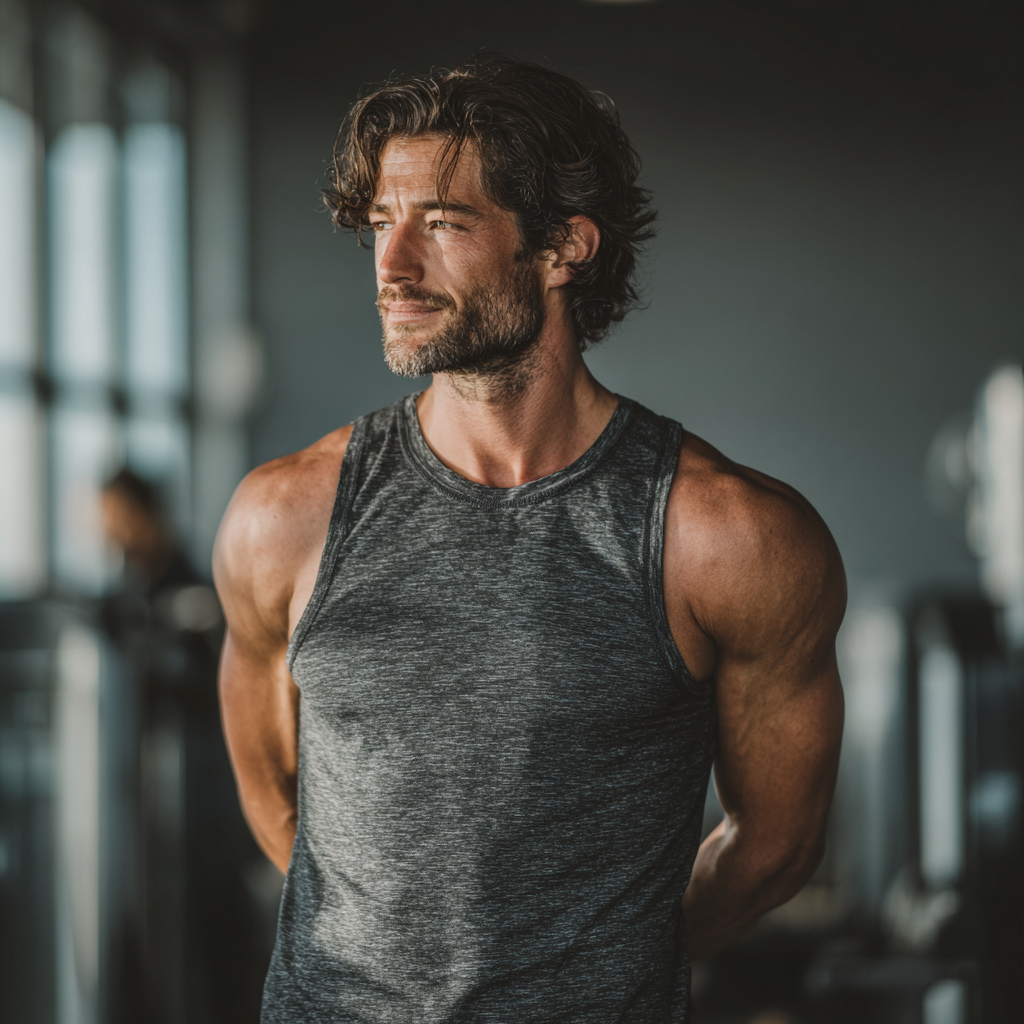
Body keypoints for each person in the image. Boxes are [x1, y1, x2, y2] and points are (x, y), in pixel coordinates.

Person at [214, 56, 846, 1023]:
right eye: (383, 224)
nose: (392, 268)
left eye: (442, 223)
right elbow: (273, 790)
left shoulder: (727, 538)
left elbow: (776, 846)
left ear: (562, 248)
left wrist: (610, 966)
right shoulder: (283, 516)